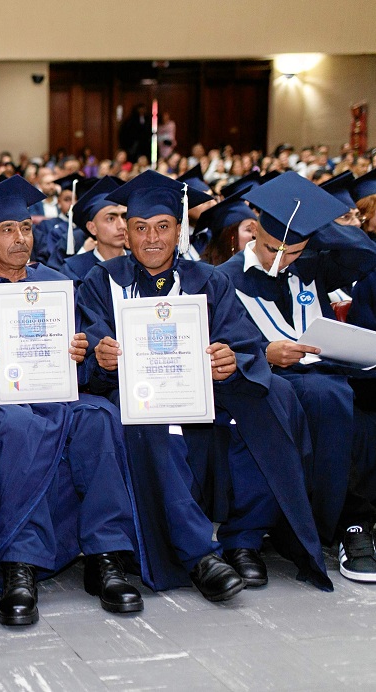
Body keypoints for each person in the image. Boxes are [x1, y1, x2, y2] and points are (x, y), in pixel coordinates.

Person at [77, 170, 331, 599]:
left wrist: (232, 361)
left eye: (163, 227)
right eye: (140, 228)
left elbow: (244, 344)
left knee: (275, 395)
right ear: (127, 233)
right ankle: (200, 555)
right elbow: (90, 360)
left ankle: (245, 538)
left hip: (205, 389)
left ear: (180, 230)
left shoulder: (209, 280)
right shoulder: (101, 283)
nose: (151, 238)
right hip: (139, 394)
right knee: (144, 416)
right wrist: (101, 362)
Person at [0, 176, 143, 625]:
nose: (19, 239)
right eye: (6, 230)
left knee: (100, 416)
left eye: (26, 228)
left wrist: (81, 355)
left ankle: (106, 555)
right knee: (18, 427)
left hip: (57, 397)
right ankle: (19, 564)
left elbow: (85, 360)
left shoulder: (56, 284)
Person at [216, 172, 376, 580]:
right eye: (273, 248)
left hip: (324, 375)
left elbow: (364, 252)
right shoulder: (224, 277)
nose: (280, 260)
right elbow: (218, 343)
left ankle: (351, 524)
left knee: (356, 402)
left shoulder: (311, 267)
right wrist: (265, 353)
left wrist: (312, 229)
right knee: (320, 397)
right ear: (253, 232)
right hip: (265, 380)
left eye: (293, 252)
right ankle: (306, 528)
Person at [60, 177, 128, 285]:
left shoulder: (140, 264)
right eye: (110, 218)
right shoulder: (74, 269)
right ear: (92, 228)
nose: (122, 225)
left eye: (124, 217)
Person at [197, 190, 258, 266]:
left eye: (257, 230)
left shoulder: (257, 269)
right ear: (229, 235)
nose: (255, 236)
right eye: (248, 230)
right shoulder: (202, 272)